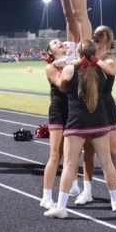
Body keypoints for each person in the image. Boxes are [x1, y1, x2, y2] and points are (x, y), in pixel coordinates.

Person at [45, 40, 116, 219]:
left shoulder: (70, 69)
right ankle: (115, 201)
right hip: (100, 120)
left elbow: (62, 88)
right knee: (107, 163)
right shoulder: (101, 70)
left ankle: (61, 207)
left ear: (78, 52)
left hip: (77, 123)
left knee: (70, 165)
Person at [73, 26, 116, 206]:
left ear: (109, 40)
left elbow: (111, 71)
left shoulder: (109, 58)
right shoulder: (85, 57)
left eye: (101, 34)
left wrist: (92, 59)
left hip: (106, 106)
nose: (96, 35)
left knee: (113, 151)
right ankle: (87, 192)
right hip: (88, 106)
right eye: (95, 32)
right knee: (88, 152)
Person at [39, 39, 81, 208]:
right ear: (50, 52)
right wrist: (70, 65)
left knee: (73, 153)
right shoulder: (51, 67)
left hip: (74, 109)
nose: (59, 43)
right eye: (55, 43)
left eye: (60, 41)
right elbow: (61, 86)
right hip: (59, 110)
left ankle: (75, 187)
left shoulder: (72, 62)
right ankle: (46, 197)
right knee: (56, 155)